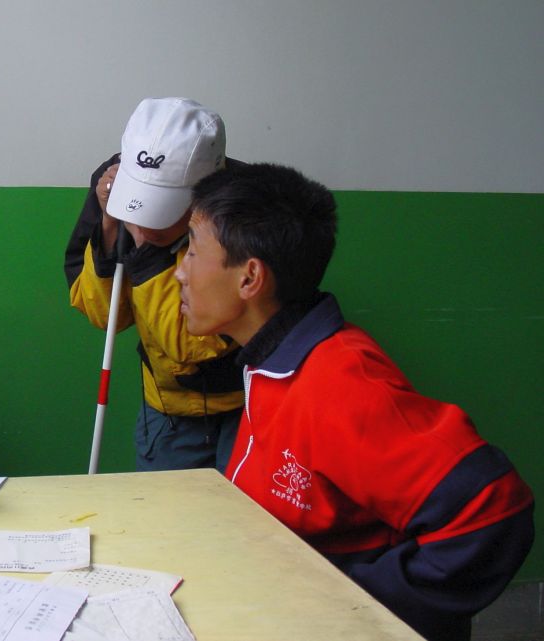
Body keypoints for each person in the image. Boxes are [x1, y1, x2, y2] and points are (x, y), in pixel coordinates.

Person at [175, 162, 535, 641]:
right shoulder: (273, 362)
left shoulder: (340, 382)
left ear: (249, 278)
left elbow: (491, 511)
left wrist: (355, 604)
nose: (179, 270)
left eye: (193, 251)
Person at [64, 97, 244, 472]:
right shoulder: (111, 189)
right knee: (166, 522)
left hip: (246, 409)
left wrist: (147, 254)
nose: (146, 226)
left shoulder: (245, 213)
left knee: (244, 523)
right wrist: (111, 229)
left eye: (163, 208)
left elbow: (189, 346)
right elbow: (105, 317)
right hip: (166, 412)